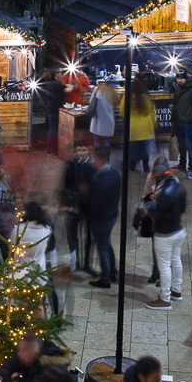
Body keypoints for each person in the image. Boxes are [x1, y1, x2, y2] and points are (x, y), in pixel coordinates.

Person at [145, 164, 187, 311]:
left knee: (164, 266)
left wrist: (152, 203)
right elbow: (182, 209)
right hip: (178, 231)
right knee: (176, 260)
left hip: (165, 234)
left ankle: (165, 299)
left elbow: (154, 213)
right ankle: (176, 290)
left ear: (158, 176)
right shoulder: (180, 188)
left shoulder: (164, 194)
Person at [0, 334, 73, 382]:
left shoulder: (49, 366)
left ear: (37, 351)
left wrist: (15, 381)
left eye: (24, 350)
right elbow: (2, 370)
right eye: (20, 349)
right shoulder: (27, 356)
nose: (19, 353)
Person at [85, 148, 120, 289]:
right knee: (106, 242)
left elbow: (96, 203)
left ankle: (105, 278)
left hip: (101, 219)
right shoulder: (113, 173)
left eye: (93, 158)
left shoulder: (100, 180)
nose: (92, 161)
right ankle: (112, 270)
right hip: (111, 215)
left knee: (102, 247)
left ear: (100, 160)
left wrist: (91, 216)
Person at [62, 141, 95, 272]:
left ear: (87, 151)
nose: (80, 153)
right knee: (72, 234)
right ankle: (75, 261)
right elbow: (65, 186)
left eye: (82, 150)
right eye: (77, 151)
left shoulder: (91, 167)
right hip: (72, 207)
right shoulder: (69, 166)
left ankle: (87, 263)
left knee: (89, 236)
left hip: (87, 207)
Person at [138, 159, 170, 285]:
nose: (158, 174)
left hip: (166, 221)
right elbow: (144, 196)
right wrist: (149, 198)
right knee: (155, 248)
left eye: (161, 171)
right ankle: (155, 272)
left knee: (165, 250)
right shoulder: (150, 178)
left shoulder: (172, 182)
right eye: (156, 171)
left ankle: (164, 277)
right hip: (153, 218)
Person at [170, 71, 192, 179]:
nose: (179, 80)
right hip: (179, 123)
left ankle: (191, 168)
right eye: (177, 78)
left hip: (188, 124)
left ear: (186, 79)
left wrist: (189, 117)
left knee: (190, 147)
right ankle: (182, 164)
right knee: (182, 145)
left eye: (181, 78)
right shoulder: (178, 88)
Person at [123, 75, 157, 173]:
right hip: (146, 129)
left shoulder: (127, 97)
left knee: (132, 150)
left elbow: (122, 110)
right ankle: (146, 168)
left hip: (132, 129)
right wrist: (154, 125)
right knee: (145, 151)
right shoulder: (146, 97)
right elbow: (152, 112)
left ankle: (132, 168)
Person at [38, 69, 67, 155]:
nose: (62, 75)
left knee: (52, 128)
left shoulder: (52, 83)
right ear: (56, 75)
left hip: (50, 107)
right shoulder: (54, 84)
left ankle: (52, 149)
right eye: (60, 74)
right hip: (53, 108)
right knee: (53, 129)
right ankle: (51, 150)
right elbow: (57, 97)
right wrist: (65, 91)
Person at [87, 83, 118, 148]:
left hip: (97, 119)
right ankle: (106, 155)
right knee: (106, 140)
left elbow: (90, 102)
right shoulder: (111, 93)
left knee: (96, 139)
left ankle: (98, 154)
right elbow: (115, 104)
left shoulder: (96, 91)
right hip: (108, 119)